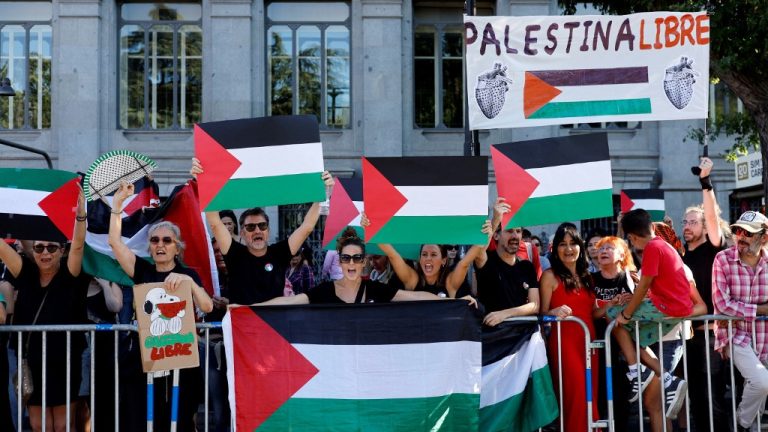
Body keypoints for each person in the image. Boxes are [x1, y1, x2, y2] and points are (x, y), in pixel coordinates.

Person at [109, 181, 213, 431]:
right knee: (142, 420)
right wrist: (117, 206)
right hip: (145, 361)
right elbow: (115, 243)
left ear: (177, 247)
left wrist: (188, 282)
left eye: (167, 240)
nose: (160, 245)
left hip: (181, 362)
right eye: (154, 240)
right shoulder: (142, 270)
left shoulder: (189, 274)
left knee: (179, 421)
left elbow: (207, 307)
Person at [0, 187, 88, 432]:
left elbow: (79, 245)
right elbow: (2, 248)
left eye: (51, 248)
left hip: (65, 360)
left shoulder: (70, 275)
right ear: (33, 251)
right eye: (39, 248)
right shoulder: (24, 272)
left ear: (61, 251)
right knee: (39, 425)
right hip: (32, 360)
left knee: (62, 425)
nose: (45, 253)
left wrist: (80, 218)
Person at [191, 158, 333, 305]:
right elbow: (215, 223)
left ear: (268, 230)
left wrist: (322, 195)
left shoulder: (279, 253)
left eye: (262, 226)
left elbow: (307, 227)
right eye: (251, 227)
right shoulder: (235, 253)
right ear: (242, 233)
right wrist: (204, 183)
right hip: (242, 325)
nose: (257, 230)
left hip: (273, 325)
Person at [609, 209, 706, 421]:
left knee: (613, 317)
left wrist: (626, 314)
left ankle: (638, 371)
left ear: (633, 238)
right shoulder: (663, 246)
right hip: (670, 307)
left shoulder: (653, 247)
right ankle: (668, 380)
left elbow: (644, 286)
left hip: (668, 308)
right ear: (652, 227)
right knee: (634, 337)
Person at [257, 236, 477, 306]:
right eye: (346, 258)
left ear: (364, 262)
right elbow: (290, 301)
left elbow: (415, 296)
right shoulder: (324, 290)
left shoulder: (375, 289)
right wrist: (249, 308)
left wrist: (452, 302)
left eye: (356, 258)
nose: (351, 262)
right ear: (340, 262)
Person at [682, 157, 731, 432]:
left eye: (693, 222)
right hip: (688, 334)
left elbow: (712, 216)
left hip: (712, 335)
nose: (687, 225)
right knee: (696, 399)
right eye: (685, 222)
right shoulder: (681, 254)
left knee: (714, 399)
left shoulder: (714, 247)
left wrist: (705, 182)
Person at [540, 222, 600, 432]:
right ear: (555, 248)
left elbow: (593, 311)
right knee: (575, 395)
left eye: (573, 243)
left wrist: (614, 304)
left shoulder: (587, 276)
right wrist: (553, 313)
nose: (568, 249)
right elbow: (541, 313)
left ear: (580, 246)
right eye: (562, 244)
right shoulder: (549, 276)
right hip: (564, 344)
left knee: (590, 395)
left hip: (589, 343)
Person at [712, 210, 768, 432]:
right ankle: (741, 423)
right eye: (737, 231)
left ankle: (747, 427)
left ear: (764, 237)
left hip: (765, 336)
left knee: (758, 390)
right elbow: (722, 304)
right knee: (762, 382)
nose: (740, 236)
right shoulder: (722, 259)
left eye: (748, 233)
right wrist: (760, 309)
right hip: (735, 333)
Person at [473, 198, 539, 326]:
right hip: (492, 337)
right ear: (496, 235)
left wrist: (504, 314)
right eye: (509, 230)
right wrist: (496, 219)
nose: (515, 236)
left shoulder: (527, 267)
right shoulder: (486, 260)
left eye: (518, 231)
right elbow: (478, 251)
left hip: (522, 339)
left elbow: (535, 305)